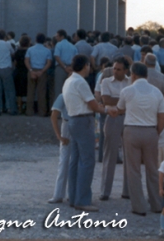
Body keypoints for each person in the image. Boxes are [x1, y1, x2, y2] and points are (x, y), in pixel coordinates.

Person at [108, 62, 164, 216]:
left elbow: (120, 109)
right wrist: (156, 132)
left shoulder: (127, 91)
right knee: (152, 169)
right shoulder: (156, 92)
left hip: (131, 130)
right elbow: (163, 116)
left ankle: (139, 206)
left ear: (133, 75)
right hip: (150, 131)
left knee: (133, 170)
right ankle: (157, 204)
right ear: (146, 75)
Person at [62, 54, 105, 212]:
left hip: (73, 120)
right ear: (86, 65)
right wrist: (106, 109)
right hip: (83, 121)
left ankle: (74, 197)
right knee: (87, 161)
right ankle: (82, 200)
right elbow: (93, 105)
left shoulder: (69, 80)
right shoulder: (81, 82)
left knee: (76, 160)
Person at [99, 56, 130, 201]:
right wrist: (125, 101)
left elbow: (113, 100)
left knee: (129, 156)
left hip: (129, 119)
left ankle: (127, 191)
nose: (115, 72)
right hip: (113, 118)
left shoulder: (131, 82)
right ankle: (105, 191)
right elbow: (106, 100)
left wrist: (118, 101)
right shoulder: (105, 81)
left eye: (118, 69)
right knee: (109, 153)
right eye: (114, 69)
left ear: (125, 70)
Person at [47, 93, 71, 204]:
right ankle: (59, 194)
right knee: (65, 161)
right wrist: (59, 136)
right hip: (67, 124)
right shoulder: (63, 96)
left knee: (71, 161)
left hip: (74, 124)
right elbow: (54, 115)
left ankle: (69, 194)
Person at [25, 33, 53, 116]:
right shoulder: (47, 50)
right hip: (42, 71)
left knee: (30, 91)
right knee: (42, 92)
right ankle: (42, 111)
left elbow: (26, 60)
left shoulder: (30, 49)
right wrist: (42, 71)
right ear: (44, 41)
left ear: (36, 40)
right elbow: (49, 63)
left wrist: (30, 70)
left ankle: (29, 111)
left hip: (32, 70)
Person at [53, 30, 78, 102]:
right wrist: (71, 68)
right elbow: (76, 58)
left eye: (57, 36)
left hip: (60, 68)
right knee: (69, 89)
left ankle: (58, 110)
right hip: (71, 68)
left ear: (62, 36)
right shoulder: (73, 46)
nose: (56, 38)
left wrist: (64, 67)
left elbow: (57, 56)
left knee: (58, 89)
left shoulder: (59, 44)